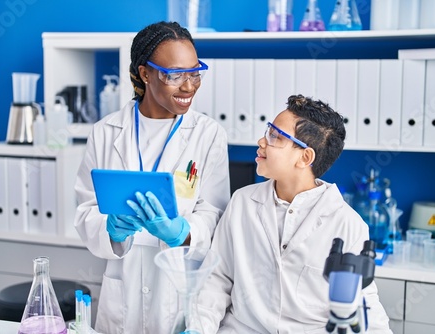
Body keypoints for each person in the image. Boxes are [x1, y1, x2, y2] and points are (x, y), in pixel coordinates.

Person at [74, 21, 230, 334]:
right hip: (123, 289)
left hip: (179, 287)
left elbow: (215, 212)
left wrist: (183, 232)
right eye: (174, 75)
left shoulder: (208, 134)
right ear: (145, 74)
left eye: (195, 72)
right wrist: (112, 229)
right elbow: (86, 209)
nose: (188, 86)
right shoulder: (105, 133)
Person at [198, 94, 391, 333]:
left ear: (305, 157)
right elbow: (217, 279)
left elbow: (364, 306)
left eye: (275, 137)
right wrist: (199, 328)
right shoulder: (243, 202)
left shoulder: (347, 224)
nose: (262, 141)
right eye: (268, 131)